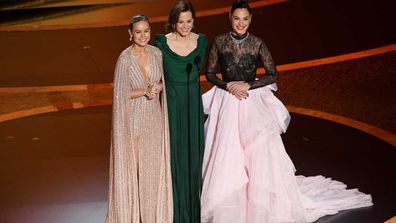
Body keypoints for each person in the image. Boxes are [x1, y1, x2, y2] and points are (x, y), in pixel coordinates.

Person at [201, 1, 373, 222]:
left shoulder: (258, 43)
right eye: (236, 18)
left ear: (251, 19)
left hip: (250, 101)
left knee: (258, 151)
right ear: (230, 18)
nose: (241, 23)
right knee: (228, 153)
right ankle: (230, 203)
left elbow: (273, 74)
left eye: (245, 18)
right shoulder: (219, 41)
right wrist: (229, 86)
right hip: (228, 102)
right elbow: (209, 73)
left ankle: (259, 201)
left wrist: (247, 85)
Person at [106, 14, 172, 223]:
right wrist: (144, 91)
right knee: (135, 168)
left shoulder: (157, 53)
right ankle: (134, 215)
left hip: (153, 117)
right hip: (133, 119)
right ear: (130, 34)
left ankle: (153, 215)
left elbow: (164, 82)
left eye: (146, 31)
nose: (143, 36)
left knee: (152, 168)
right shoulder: (124, 58)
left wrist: (157, 87)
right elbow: (120, 93)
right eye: (138, 32)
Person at [154, 1, 208, 222]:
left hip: (193, 105)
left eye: (189, 21)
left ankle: (195, 212)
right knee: (175, 156)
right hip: (172, 105)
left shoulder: (201, 41)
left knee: (194, 157)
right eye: (181, 21)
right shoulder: (161, 43)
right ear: (173, 21)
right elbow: (153, 73)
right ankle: (175, 213)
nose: (185, 26)